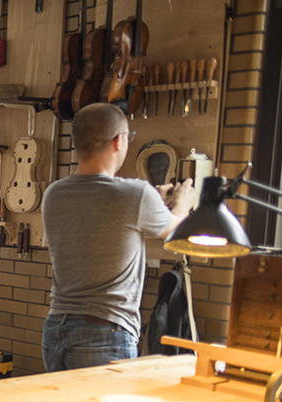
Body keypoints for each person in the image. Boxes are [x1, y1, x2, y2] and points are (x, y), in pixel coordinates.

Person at [41, 103, 196, 373]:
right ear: (119, 141)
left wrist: (152, 205)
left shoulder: (54, 194)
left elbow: (101, 216)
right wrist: (183, 204)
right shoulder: (135, 194)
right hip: (104, 334)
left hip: (56, 329)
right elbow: (175, 233)